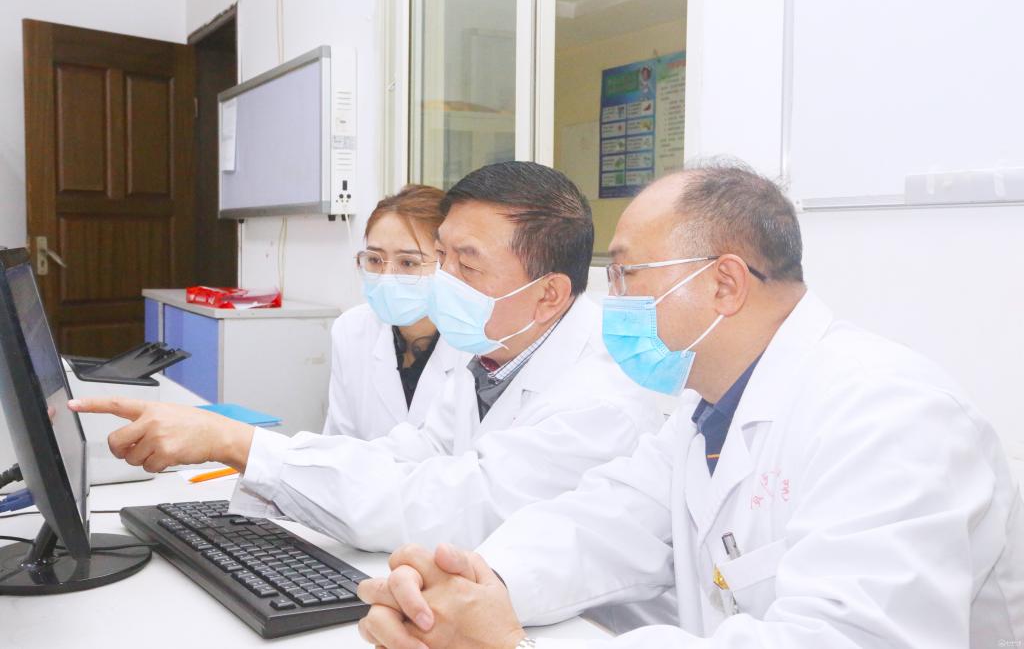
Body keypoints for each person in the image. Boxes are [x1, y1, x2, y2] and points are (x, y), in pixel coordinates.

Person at [356, 160, 1024, 648]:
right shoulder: (701, 413)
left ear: (724, 283)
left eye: (627, 274)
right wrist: (478, 584)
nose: (613, 299)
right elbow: (601, 523)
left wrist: (506, 641)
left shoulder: (892, 416)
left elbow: (841, 639)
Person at [68, 161, 666, 557]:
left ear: (550, 294)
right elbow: (406, 454)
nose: (441, 281)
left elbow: (453, 505)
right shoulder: (495, 352)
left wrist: (238, 443)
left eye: (465, 264)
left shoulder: (600, 397)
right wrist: (248, 451)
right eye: (442, 258)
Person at [324, 184, 466, 440]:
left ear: (448, 263)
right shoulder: (351, 330)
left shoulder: (477, 345)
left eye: (408, 262)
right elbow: (339, 443)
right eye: (374, 260)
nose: (386, 277)